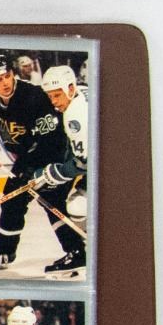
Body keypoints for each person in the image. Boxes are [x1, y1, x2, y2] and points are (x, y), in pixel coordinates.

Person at [0, 52, 85, 275]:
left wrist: (30, 170)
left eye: (7, 76)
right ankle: (5, 251)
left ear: (14, 74)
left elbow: (51, 140)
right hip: (25, 155)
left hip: (53, 151)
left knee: (52, 199)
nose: (4, 83)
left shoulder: (34, 97)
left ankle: (76, 251)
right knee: (12, 198)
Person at [39, 65, 90, 273]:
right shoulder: (83, 91)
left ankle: (85, 251)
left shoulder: (75, 115)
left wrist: (56, 173)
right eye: (50, 96)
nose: (54, 102)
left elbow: (83, 163)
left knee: (77, 207)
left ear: (70, 88)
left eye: (57, 95)